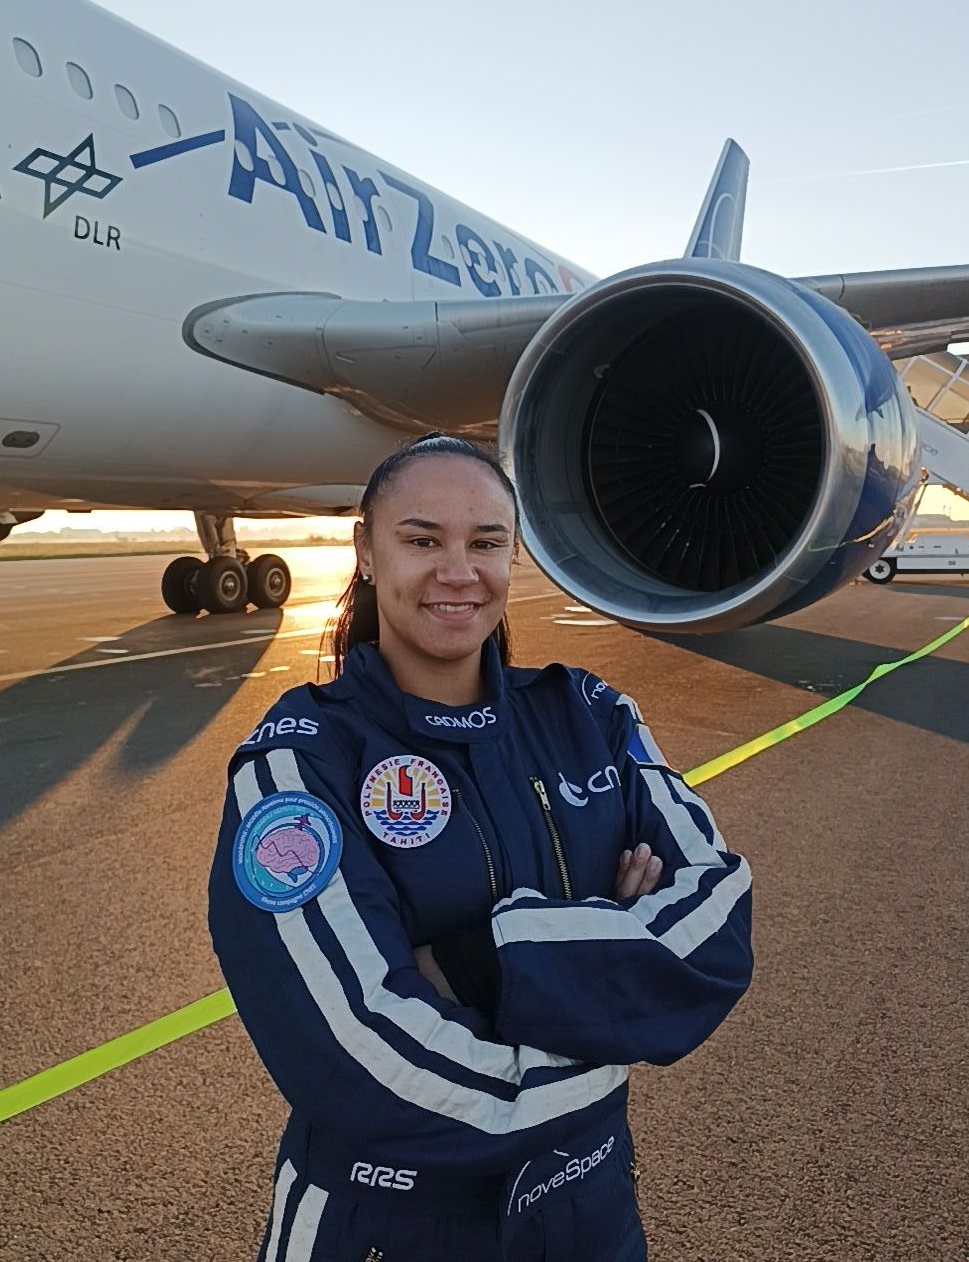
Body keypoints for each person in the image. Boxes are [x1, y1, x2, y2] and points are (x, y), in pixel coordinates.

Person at [208, 434, 753, 1262]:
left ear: (513, 554)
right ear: (365, 551)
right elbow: (356, 1050)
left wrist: (469, 966)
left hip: (591, 1213)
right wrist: (605, 978)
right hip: (383, 1223)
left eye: (486, 542)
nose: (458, 571)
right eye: (423, 540)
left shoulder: (592, 716)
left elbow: (715, 934)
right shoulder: (299, 760)